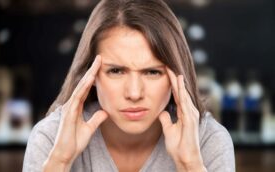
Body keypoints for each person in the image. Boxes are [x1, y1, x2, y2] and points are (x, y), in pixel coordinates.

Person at [23, 0, 235, 171]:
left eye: (152, 72)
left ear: (177, 75)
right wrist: (60, 161)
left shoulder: (208, 141)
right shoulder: (50, 138)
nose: (134, 93)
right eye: (116, 71)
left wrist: (190, 166)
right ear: (91, 75)